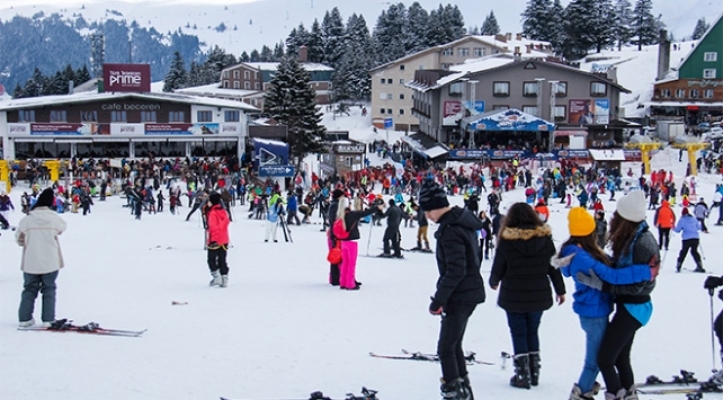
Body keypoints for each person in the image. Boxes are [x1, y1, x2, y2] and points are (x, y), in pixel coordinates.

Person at [553, 207, 657, 400]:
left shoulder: (583, 251)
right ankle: (584, 394)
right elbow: (612, 276)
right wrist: (646, 272)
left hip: (595, 310)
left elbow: (610, 265)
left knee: (604, 358)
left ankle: (593, 391)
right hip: (594, 313)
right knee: (596, 361)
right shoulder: (581, 257)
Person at [489, 202, 566, 390]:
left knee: (518, 331)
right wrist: (560, 290)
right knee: (532, 330)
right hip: (539, 293)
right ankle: (534, 371)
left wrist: (494, 280)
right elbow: (553, 267)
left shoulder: (507, 239)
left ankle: (522, 374)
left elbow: (499, 263)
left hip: (513, 293)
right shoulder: (545, 238)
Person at [421, 180, 485, 400]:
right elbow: (475, 258)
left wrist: (439, 299)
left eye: (428, 211)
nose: (427, 216)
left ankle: (455, 393)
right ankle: (463, 390)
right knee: (454, 344)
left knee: (446, 348)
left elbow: (456, 270)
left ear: (437, 206)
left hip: (461, 295)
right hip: (469, 292)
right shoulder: (463, 223)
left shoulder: (450, 230)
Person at [16, 188, 67, 328]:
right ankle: (48, 318)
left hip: (31, 261)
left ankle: (24, 318)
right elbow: (62, 228)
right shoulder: (54, 218)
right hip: (50, 259)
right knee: (49, 289)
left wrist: (27, 243)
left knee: (29, 289)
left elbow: (19, 238)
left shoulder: (27, 220)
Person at [335, 196, 380, 290]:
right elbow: (365, 213)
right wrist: (376, 208)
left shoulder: (340, 215)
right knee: (351, 264)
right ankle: (350, 284)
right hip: (352, 242)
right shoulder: (352, 215)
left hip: (343, 241)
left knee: (345, 263)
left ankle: (343, 282)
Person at [206, 193, 231, 287]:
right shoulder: (224, 211)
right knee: (222, 259)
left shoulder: (213, 213)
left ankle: (217, 277)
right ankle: (225, 278)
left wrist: (213, 240)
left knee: (211, 260)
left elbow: (214, 228)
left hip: (215, 240)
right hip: (224, 239)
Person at [673, 207, 704, 273]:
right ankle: (699, 265)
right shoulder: (694, 219)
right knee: (694, 251)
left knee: (683, 252)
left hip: (686, 239)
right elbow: (699, 228)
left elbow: (678, 230)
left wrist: (672, 227)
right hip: (695, 238)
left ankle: (679, 265)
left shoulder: (682, 220)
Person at [327, 189, 345, 286]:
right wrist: (335, 233)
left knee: (337, 256)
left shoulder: (334, 204)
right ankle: (335, 278)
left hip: (335, 234)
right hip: (335, 234)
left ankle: (336, 277)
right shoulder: (335, 205)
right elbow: (333, 221)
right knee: (336, 257)